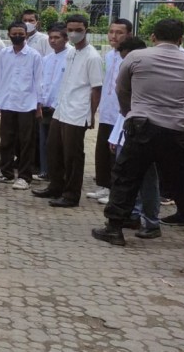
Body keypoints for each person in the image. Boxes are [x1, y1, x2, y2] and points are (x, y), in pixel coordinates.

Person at [92, 19, 184, 247]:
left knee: (126, 178)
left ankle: (115, 229)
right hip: (177, 131)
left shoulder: (136, 58)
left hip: (142, 128)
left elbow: (121, 89)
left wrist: (130, 112)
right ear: (180, 39)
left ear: (153, 37)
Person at [33, 14, 102, 208]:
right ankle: (56, 186)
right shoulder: (71, 53)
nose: (73, 34)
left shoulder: (92, 57)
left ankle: (71, 195)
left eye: (78, 30)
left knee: (73, 156)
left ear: (86, 30)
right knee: (53, 149)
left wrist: (91, 115)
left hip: (78, 113)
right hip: (61, 109)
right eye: (70, 30)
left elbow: (96, 89)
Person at [101, 38, 161, 240]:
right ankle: (133, 215)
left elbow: (125, 101)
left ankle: (151, 222)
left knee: (146, 179)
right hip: (131, 128)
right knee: (128, 176)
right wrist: (116, 135)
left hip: (144, 129)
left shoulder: (142, 70)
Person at [0, 22, 43, 190]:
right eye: (14, 33)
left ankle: (25, 177)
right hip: (7, 103)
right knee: (6, 140)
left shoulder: (34, 55)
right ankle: (6, 172)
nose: (17, 36)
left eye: (21, 33)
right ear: (9, 34)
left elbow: (39, 81)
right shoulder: (4, 54)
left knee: (26, 142)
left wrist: (39, 104)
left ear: (26, 35)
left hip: (27, 105)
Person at [88, 18, 132, 202]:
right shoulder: (108, 55)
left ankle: (116, 189)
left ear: (128, 34)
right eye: (111, 31)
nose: (114, 36)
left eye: (119, 32)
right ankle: (104, 185)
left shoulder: (130, 57)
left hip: (121, 113)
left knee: (118, 152)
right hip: (107, 110)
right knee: (103, 151)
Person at [36, 24, 69, 181]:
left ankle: (58, 174)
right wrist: (40, 102)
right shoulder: (47, 59)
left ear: (66, 38)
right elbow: (42, 82)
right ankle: (45, 171)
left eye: (57, 37)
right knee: (45, 142)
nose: (53, 41)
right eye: (51, 37)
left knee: (59, 143)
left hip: (61, 107)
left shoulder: (71, 57)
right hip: (45, 106)